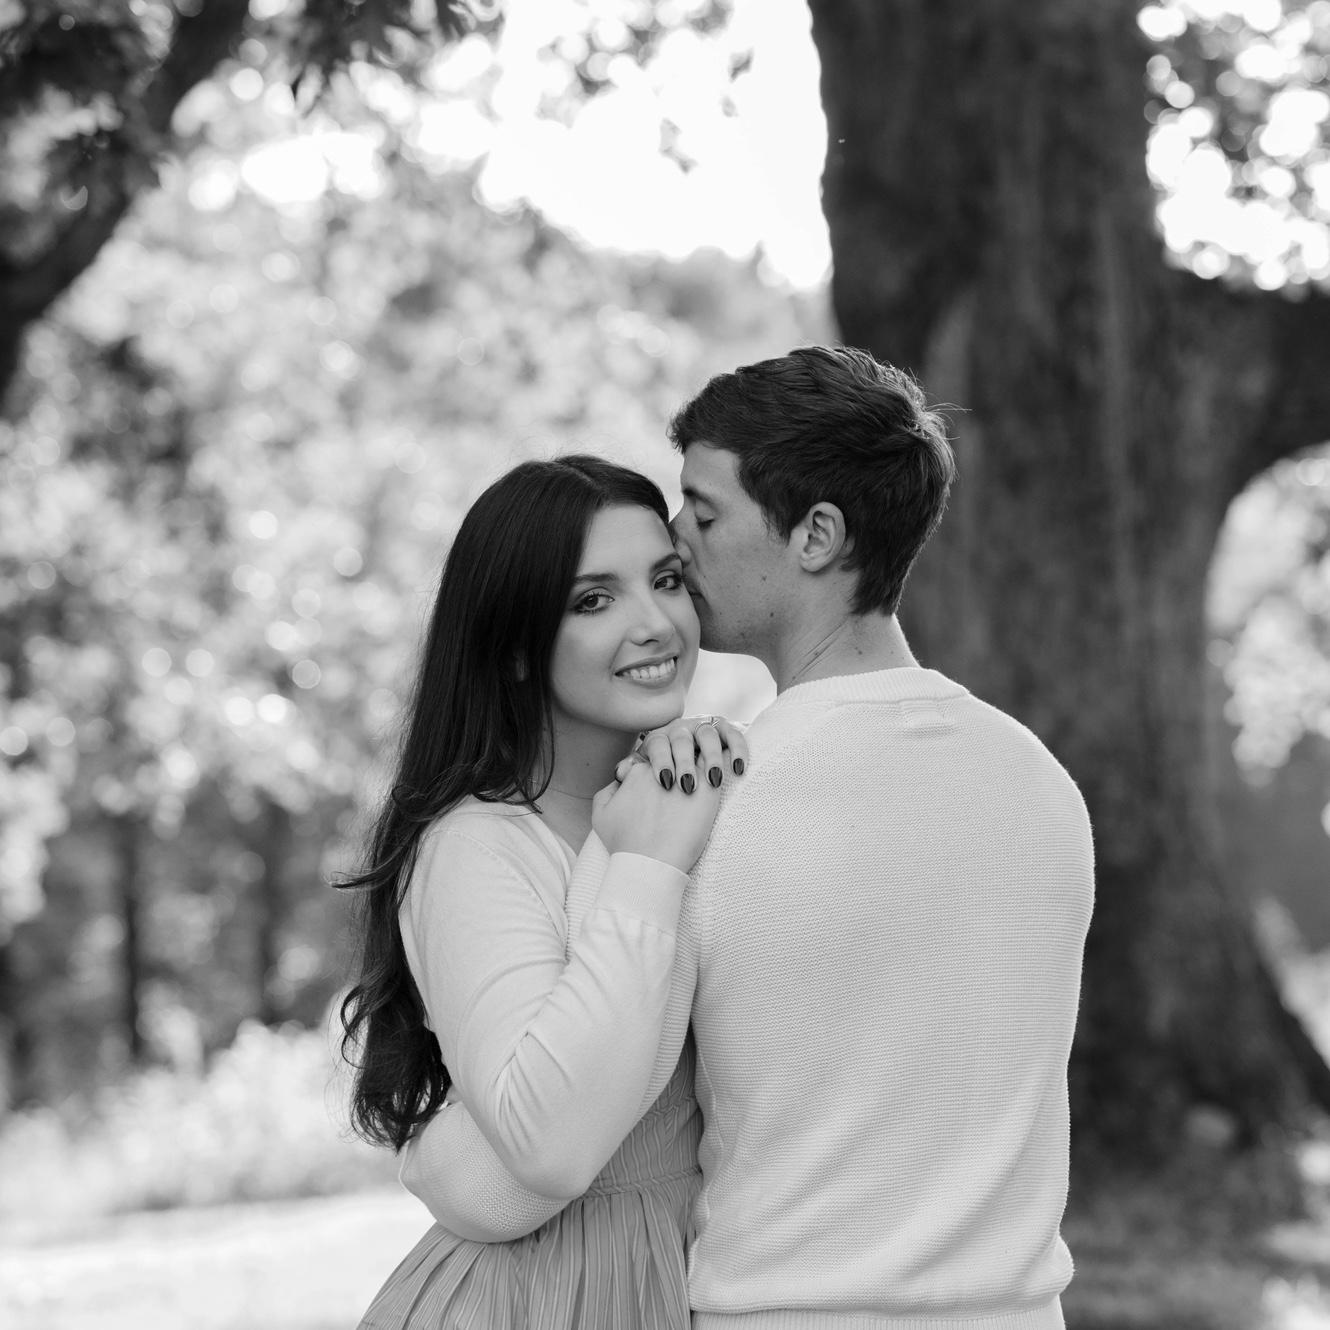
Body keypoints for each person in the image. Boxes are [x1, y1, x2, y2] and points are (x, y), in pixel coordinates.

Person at [402, 345, 1096, 1330]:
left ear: (816, 535)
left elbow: (527, 1158)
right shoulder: (1041, 782)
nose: (681, 545)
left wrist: (426, 1149)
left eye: (703, 512)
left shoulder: (695, 803)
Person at [340, 453, 746, 1330]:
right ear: (518, 648)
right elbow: (552, 1144)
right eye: (594, 601)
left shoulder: (710, 793)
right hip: (537, 1296)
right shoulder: (474, 847)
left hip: (691, 1272)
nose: (655, 625)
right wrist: (646, 865)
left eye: (666, 580)